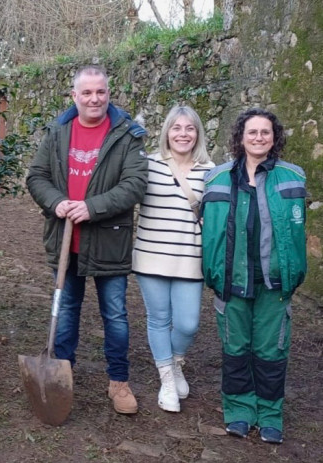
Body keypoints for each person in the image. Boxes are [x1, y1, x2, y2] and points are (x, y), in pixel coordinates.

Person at [26, 65, 148, 414]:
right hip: (65, 240)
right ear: (74, 96)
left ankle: (119, 382)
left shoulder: (127, 135)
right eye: (87, 93)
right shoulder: (58, 131)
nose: (95, 98)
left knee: (115, 314)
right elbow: (37, 176)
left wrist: (91, 207)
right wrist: (56, 202)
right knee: (65, 311)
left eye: (101, 92)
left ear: (108, 94)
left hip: (109, 240)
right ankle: (61, 373)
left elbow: (135, 184)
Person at [202, 108, 307, 444]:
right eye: (252, 132)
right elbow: (211, 234)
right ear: (241, 137)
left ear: (274, 137)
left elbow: (296, 233)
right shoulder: (218, 179)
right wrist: (214, 272)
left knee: (271, 351)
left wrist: (294, 273)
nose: (259, 137)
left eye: (266, 132)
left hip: (273, 284)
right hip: (232, 282)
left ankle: (270, 414)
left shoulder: (293, 177)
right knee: (236, 349)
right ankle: (239, 411)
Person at [132, 105, 214, 413]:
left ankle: (176, 363)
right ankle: (167, 380)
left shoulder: (210, 170)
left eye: (189, 128)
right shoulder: (148, 165)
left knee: (188, 323)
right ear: (167, 132)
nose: (183, 134)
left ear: (197, 134)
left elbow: (216, 215)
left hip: (190, 257)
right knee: (159, 318)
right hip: (151, 255)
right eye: (176, 128)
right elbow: (125, 191)